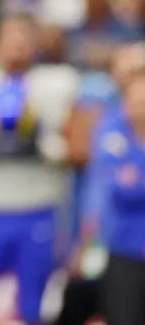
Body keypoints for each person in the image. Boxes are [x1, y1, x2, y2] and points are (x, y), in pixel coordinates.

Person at [0, 15, 79, 325]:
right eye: (9, 41)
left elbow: (74, 149)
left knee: (34, 309)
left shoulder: (58, 82)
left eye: (23, 41)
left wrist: (40, 129)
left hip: (37, 208)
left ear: (36, 44)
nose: (16, 49)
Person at [91, 69, 145, 325]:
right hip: (125, 248)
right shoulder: (112, 129)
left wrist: (137, 177)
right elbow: (120, 189)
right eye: (136, 101)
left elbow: (132, 184)